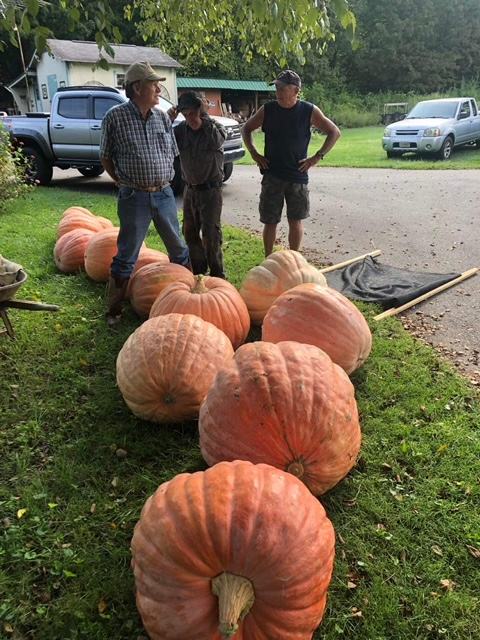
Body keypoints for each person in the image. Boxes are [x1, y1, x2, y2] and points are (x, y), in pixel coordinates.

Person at [99, 61, 190, 326]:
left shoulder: (162, 117)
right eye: (154, 84)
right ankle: (114, 310)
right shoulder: (114, 117)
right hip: (134, 197)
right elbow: (105, 157)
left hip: (163, 194)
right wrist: (121, 181)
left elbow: (171, 153)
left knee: (179, 248)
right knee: (127, 254)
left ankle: (190, 295)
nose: (159, 88)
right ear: (137, 88)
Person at [242, 69, 341, 257]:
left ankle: (294, 259)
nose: (277, 91)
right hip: (272, 175)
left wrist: (316, 157)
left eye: (281, 88)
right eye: (276, 87)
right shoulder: (268, 110)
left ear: (295, 90)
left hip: (297, 175)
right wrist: (254, 153)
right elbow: (246, 129)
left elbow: (334, 132)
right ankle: (268, 258)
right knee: (270, 221)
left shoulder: (308, 111)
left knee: (295, 220)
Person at [168, 91, 227, 278]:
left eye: (192, 113)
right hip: (190, 190)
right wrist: (167, 121)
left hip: (211, 191)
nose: (190, 118)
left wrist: (204, 118)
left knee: (211, 234)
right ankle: (199, 273)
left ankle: (218, 275)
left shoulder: (214, 128)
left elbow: (218, 140)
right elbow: (162, 141)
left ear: (200, 110)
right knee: (190, 233)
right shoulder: (180, 131)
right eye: (185, 115)